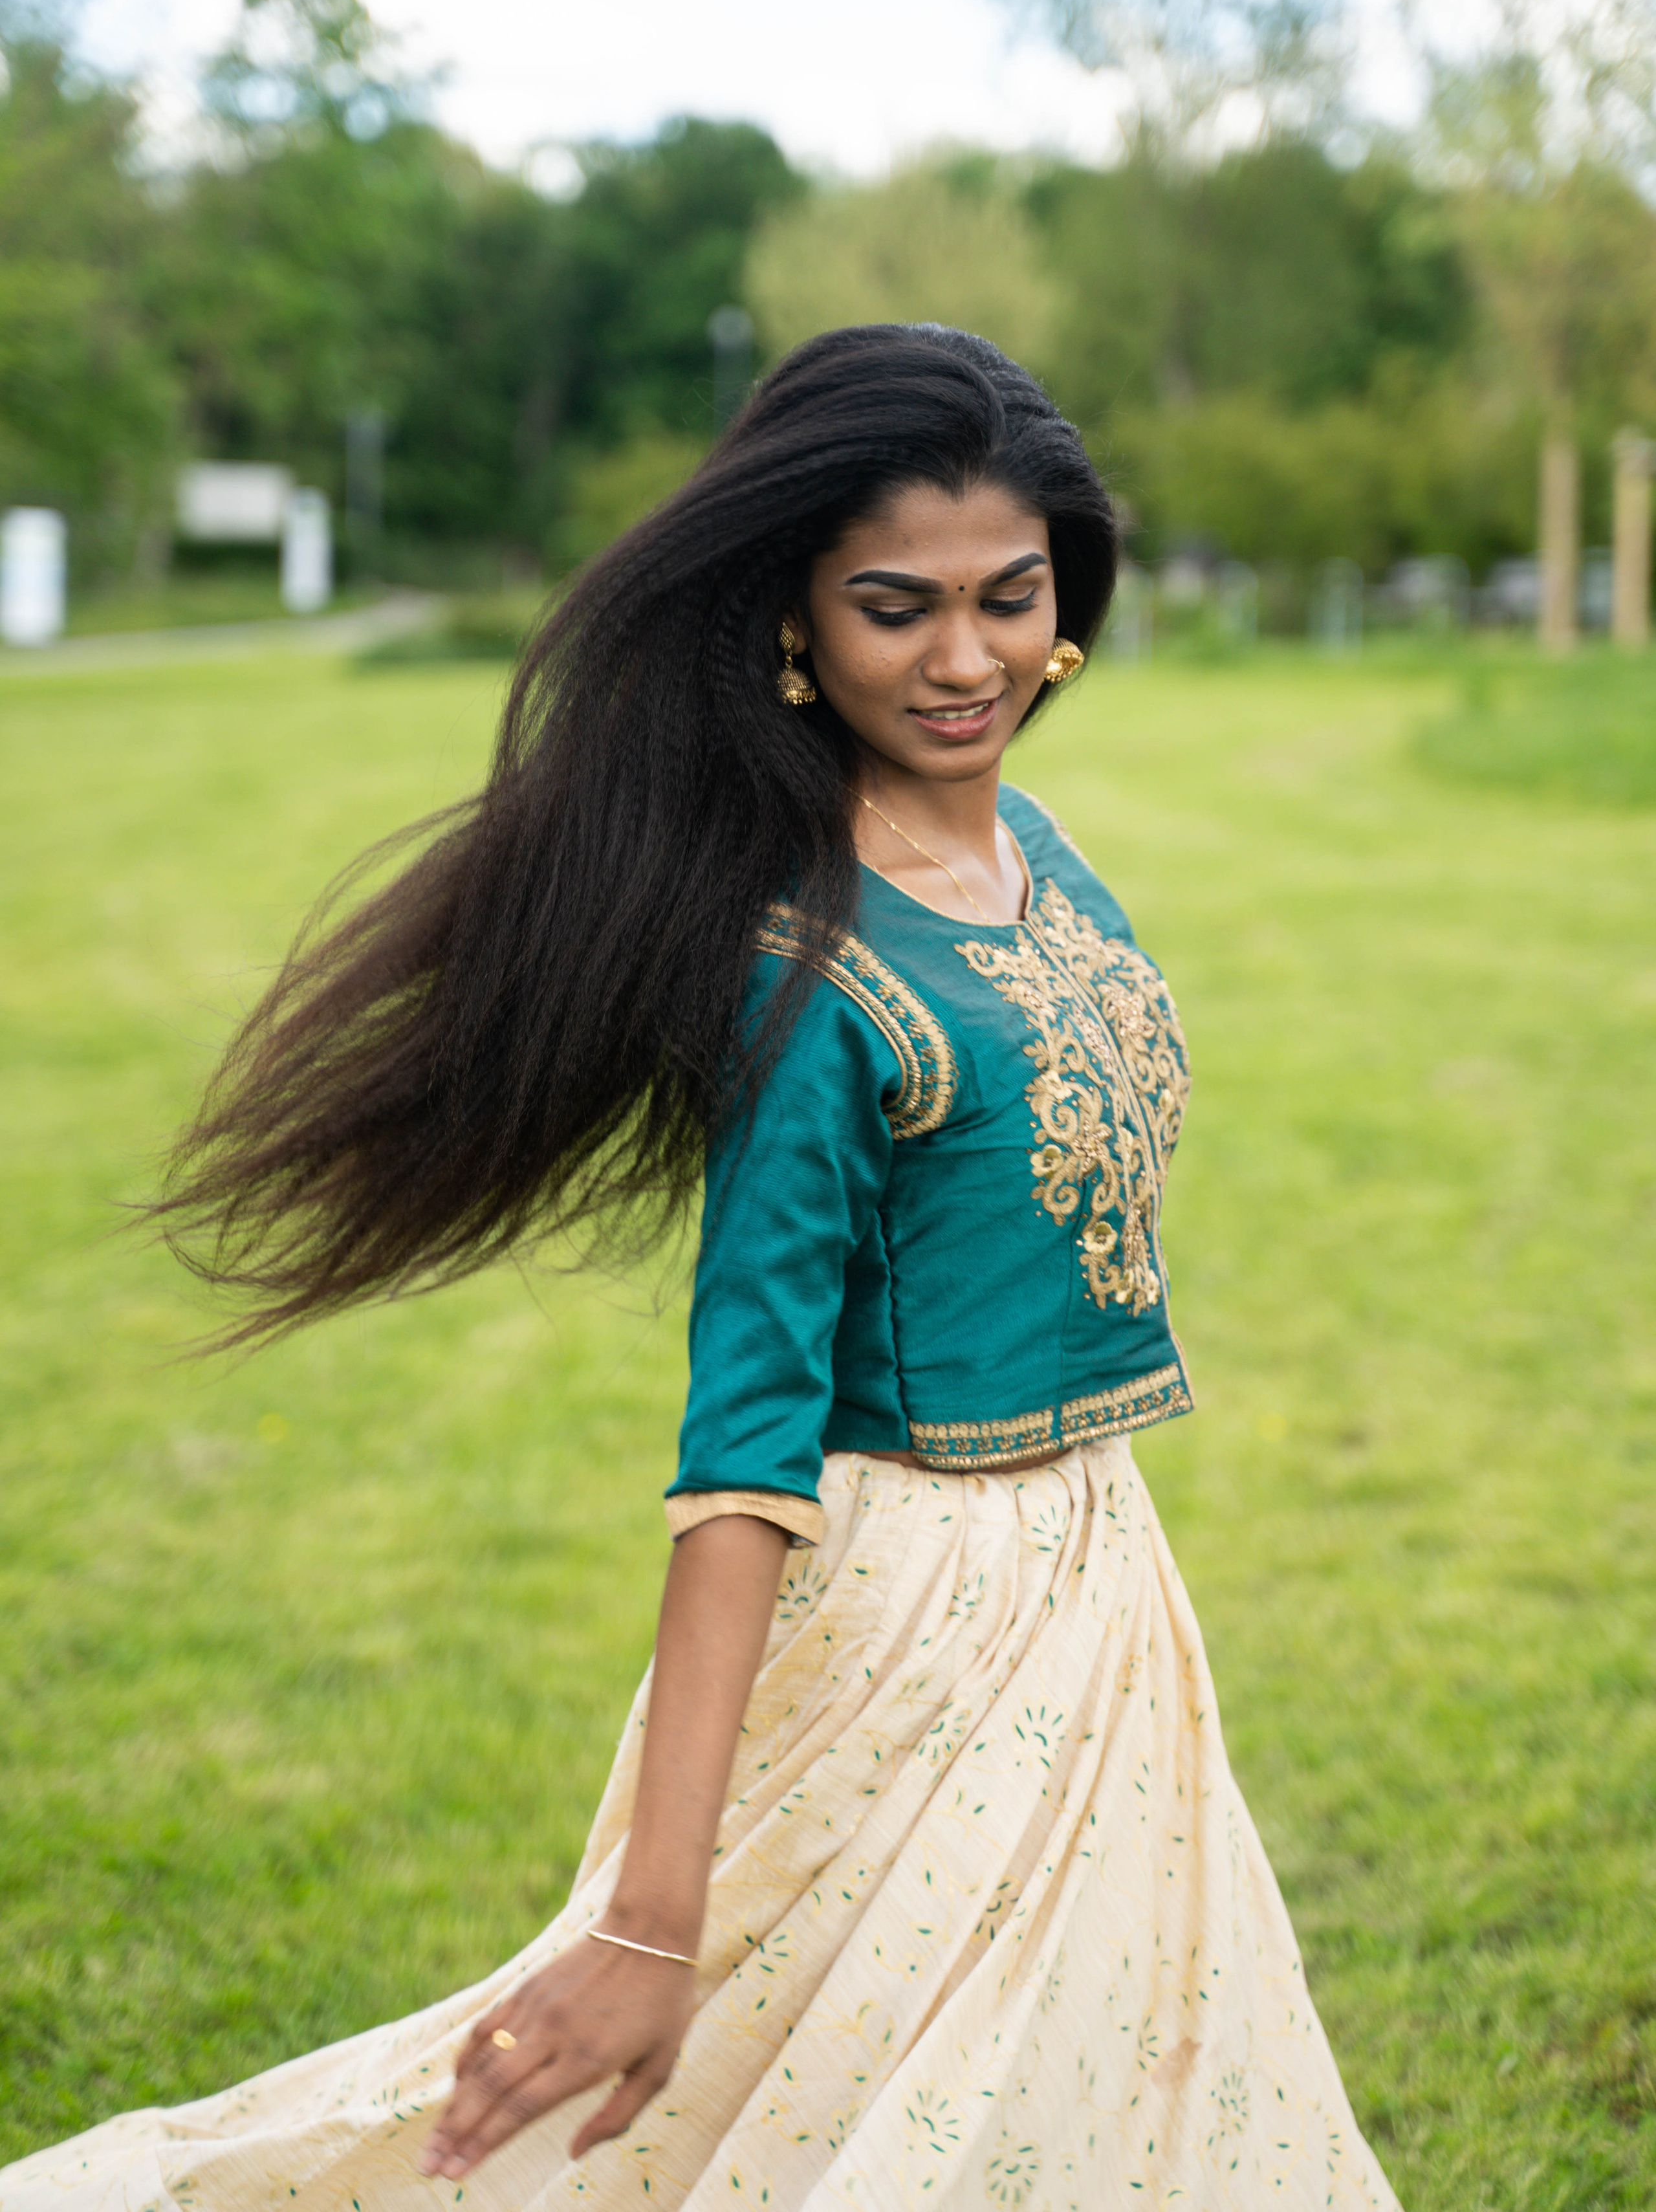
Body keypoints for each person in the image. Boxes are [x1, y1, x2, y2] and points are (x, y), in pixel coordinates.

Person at [1, 327, 1401, 2212]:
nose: (966, 658)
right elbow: (745, 1445)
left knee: (1085, 2085)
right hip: (915, 1615)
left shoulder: (1041, 852)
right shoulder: (809, 975)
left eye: (1009, 598)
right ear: (797, 629)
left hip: (1104, 1566)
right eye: (897, 609)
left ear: (1068, 603)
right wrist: (652, 1919)